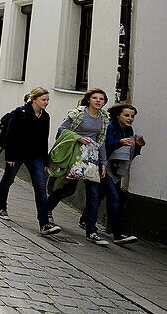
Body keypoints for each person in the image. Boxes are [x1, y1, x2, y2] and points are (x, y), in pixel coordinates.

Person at [46, 88, 111, 246]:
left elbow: (100, 141)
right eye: (95, 98)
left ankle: (91, 231)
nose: (98, 101)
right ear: (88, 99)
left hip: (92, 158)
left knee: (93, 195)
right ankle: (46, 209)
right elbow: (62, 129)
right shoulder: (78, 114)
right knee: (68, 189)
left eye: (101, 99)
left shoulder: (104, 117)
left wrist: (103, 163)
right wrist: (78, 138)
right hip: (76, 155)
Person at [0, 87, 61, 235]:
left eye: (48, 100)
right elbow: (11, 135)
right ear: (34, 99)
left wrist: (45, 161)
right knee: (8, 179)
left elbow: (44, 140)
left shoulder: (45, 117)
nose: (46, 102)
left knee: (40, 187)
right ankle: (2, 207)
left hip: (36, 156)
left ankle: (44, 223)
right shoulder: (20, 113)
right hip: (17, 153)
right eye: (43, 100)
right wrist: (10, 156)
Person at [103, 102, 145, 245]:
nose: (130, 119)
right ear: (118, 115)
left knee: (99, 196)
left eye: (132, 116)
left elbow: (128, 154)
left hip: (115, 168)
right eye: (126, 115)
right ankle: (117, 234)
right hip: (105, 165)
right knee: (114, 199)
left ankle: (85, 220)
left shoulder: (129, 130)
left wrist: (138, 146)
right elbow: (106, 145)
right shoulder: (110, 126)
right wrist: (120, 142)